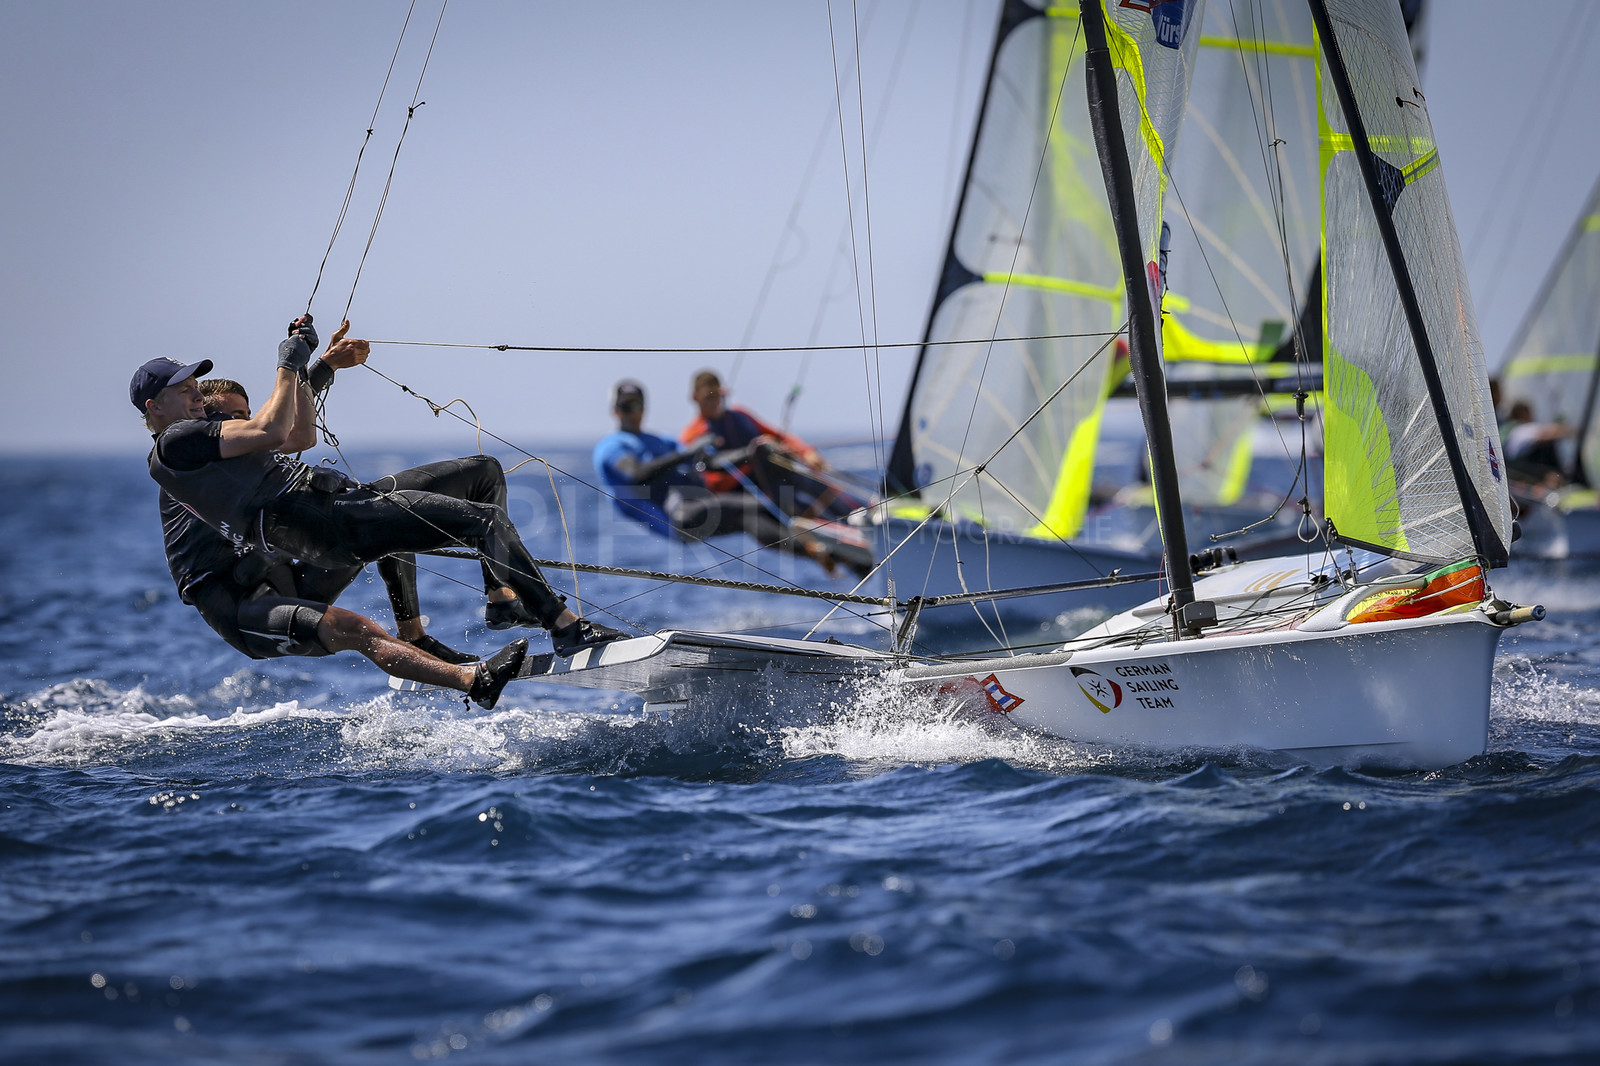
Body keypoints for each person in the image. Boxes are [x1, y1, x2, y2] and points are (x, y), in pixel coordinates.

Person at [136, 315, 622, 703]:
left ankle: (492, 605)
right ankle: (564, 630)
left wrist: (315, 367)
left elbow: (296, 435)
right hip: (270, 571)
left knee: (481, 475)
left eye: (202, 394)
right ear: (156, 407)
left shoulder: (216, 451)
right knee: (470, 531)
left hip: (317, 527)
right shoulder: (183, 451)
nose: (200, 401)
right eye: (191, 395)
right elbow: (272, 430)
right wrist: (290, 364)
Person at [195, 373, 474, 667]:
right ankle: (461, 677)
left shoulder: (247, 453)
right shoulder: (197, 471)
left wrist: (319, 367)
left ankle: (414, 638)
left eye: (248, 416)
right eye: (236, 417)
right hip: (253, 606)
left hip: (292, 580)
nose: (246, 424)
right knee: (360, 619)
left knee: (384, 518)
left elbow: (292, 428)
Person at [592, 380, 844, 573]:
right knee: (752, 508)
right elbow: (636, 475)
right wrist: (685, 454)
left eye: (638, 405)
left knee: (757, 511)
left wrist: (750, 453)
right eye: (626, 406)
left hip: (699, 505)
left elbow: (707, 462)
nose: (633, 412)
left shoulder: (661, 440)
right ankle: (820, 551)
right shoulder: (612, 447)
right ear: (615, 410)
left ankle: (840, 546)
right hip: (678, 518)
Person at [679, 369, 863, 524]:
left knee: (804, 475)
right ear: (694, 398)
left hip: (769, 475)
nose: (714, 402)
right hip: (740, 491)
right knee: (792, 498)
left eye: (717, 396)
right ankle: (832, 528)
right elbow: (709, 477)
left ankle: (859, 514)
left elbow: (779, 437)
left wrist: (807, 453)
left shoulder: (740, 415)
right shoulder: (692, 435)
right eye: (708, 397)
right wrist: (752, 456)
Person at [1499, 399, 1574, 487]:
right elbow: (1545, 434)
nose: (1533, 416)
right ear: (1523, 414)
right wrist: (1571, 432)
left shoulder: (1507, 428)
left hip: (1514, 468)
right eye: (1530, 413)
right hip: (1524, 466)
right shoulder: (1523, 429)